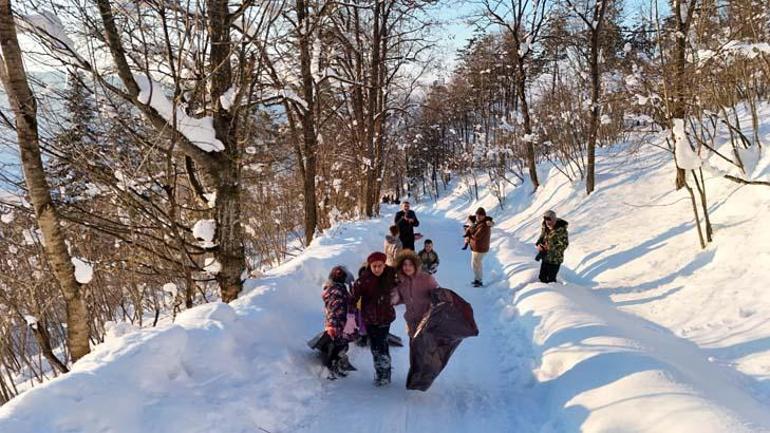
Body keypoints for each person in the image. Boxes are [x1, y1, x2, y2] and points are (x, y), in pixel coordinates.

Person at [351, 252, 398, 386]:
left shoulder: (390, 276)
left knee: (381, 344)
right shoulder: (364, 280)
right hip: (370, 319)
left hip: (385, 317)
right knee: (375, 346)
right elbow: (353, 297)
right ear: (370, 266)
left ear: (384, 265)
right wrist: (350, 315)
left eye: (380, 266)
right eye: (374, 266)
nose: (377, 269)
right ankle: (381, 371)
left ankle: (385, 373)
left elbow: (403, 280)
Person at [392, 250, 440, 339]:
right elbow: (399, 299)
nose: (407, 267)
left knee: (427, 351)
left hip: (427, 324)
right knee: (414, 351)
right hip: (411, 324)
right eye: (404, 265)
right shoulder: (402, 282)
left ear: (416, 265)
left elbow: (440, 297)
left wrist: (430, 314)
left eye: (410, 264)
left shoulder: (427, 279)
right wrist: (394, 294)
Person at [321, 265, 356, 379]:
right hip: (337, 325)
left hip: (340, 323)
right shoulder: (337, 292)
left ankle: (338, 362)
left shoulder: (336, 290)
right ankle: (333, 366)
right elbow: (334, 309)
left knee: (341, 344)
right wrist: (332, 325)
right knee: (339, 345)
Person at [536, 210, 569, 283]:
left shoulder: (561, 230)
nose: (547, 222)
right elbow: (542, 236)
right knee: (542, 277)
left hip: (555, 259)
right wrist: (539, 244)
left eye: (549, 220)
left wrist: (549, 247)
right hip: (545, 257)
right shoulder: (545, 226)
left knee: (551, 280)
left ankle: (553, 293)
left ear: (554, 220)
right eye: (545, 220)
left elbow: (564, 245)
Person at [465, 207, 494, 287]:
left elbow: (476, 236)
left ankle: (479, 280)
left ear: (484, 216)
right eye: (477, 215)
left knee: (476, 264)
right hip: (477, 248)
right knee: (475, 264)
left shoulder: (484, 225)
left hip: (480, 249)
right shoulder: (478, 222)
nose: (478, 217)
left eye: (481, 216)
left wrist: (469, 229)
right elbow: (472, 221)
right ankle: (477, 279)